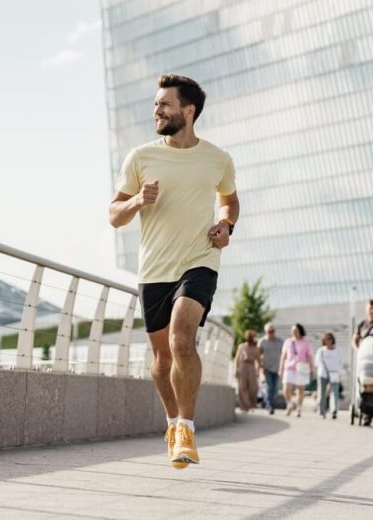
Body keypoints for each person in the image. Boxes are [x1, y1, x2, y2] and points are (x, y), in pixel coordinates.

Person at [109, 74, 239, 469]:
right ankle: (171, 422)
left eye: (164, 104)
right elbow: (114, 215)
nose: (157, 111)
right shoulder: (140, 157)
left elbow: (229, 201)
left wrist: (226, 225)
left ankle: (186, 427)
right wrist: (136, 201)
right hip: (154, 269)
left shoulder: (217, 159)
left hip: (199, 260)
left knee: (183, 340)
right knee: (162, 359)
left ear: (189, 110)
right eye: (155, 104)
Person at [278, 323, 314, 417]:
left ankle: (299, 407)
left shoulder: (306, 342)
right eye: (292, 330)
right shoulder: (288, 342)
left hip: (301, 368)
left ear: (300, 331)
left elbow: (309, 356)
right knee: (286, 389)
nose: (294, 332)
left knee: (300, 389)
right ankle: (289, 404)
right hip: (289, 367)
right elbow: (283, 356)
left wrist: (311, 368)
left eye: (296, 330)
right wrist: (281, 368)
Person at [315, 332, 341, 419]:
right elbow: (318, 362)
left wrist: (335, 371)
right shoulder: (321, 351)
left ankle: (334, 410)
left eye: (329, 339)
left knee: (334, 393)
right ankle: (322, 411)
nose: (328, 341)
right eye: (326, 339)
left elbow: (340, 362)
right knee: (322, 393)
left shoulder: (338, 351)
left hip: (334, 374)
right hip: (323, 374)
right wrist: (326, 370)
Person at [258, 322, 283, 414]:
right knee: (270, 387)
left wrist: (283, 367)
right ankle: (270, 406)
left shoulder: (280, 341)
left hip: (277, 368)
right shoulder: (262, 341)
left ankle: (266, 401)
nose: (271, 333)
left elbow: (284, 354)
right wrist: (261, 366)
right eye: (269, 331)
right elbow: (258, 355)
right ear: (266, 332)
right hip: (267, 368)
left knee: (275, 389)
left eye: (272, 331)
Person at [235, 330, 262, 413]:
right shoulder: (241, 346)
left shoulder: (256, 348)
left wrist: (258, 371)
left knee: (253, 387)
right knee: (242, 386)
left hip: (251, 366)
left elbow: (259, 361)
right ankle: (244, 406)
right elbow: (237, 359)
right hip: (242, 366)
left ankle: (251, 405)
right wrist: (236, 369)